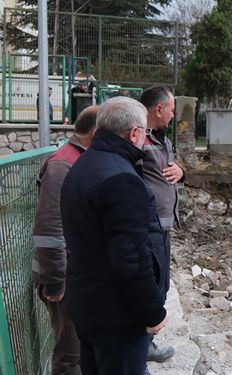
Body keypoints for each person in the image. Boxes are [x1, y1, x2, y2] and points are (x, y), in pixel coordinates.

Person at [60, 97, 168, 375]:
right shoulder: (122, 179)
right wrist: (154, 311)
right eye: (145, 133)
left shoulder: (83, 166)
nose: (146, 139)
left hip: (88, 305)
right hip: (117, 316)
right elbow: (131, 258)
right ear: (134, 133)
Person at [32, 105, 99, 375]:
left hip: (75, 276)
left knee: (81, 350)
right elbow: (49, 231)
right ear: (95, 133)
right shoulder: (63, 164)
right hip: (64, 280)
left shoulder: (78, 159)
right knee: (71, 356)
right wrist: (57, 283)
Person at [139, 85, 184, 363]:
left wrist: (182, 170)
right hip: (148, 228)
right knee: (151, 286)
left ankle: (146, 342)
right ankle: (142, 345)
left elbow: (169, 168)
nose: (172, 115)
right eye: (171, 110)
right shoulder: (138, 141)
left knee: (161, 286)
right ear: (158, 109)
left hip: (162, 229)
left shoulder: (158, 140)